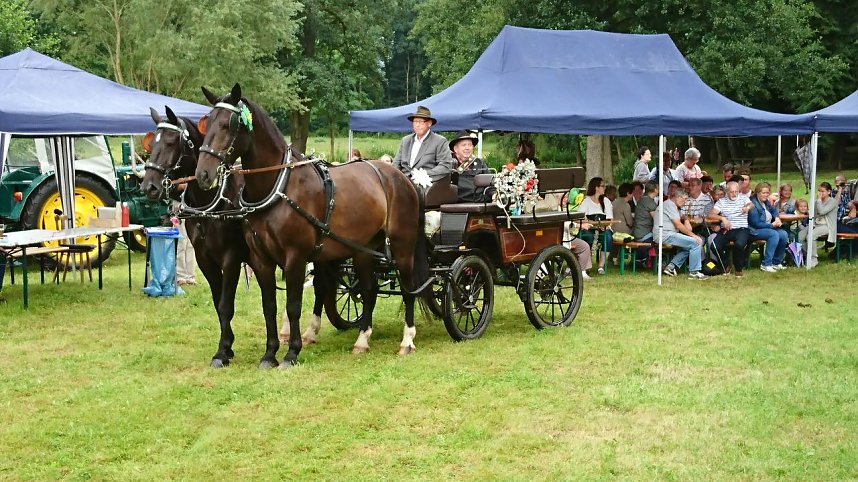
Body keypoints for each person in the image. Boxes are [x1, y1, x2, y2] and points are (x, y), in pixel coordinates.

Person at [392, 105, 454, 182]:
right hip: (403, 181)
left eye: (421, 122)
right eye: (415, 122)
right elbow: (396, 164)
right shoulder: (405, 141)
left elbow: (445, 166)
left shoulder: (439, 141)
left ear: (429, 123)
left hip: (425, 182)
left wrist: (424, 175)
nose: (417, 125)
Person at [656, 188, 708, 279]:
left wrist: (687, 219)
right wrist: (694, 236)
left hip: (666, 234)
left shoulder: (672, 205)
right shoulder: (670, 205)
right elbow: (678, 225)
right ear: (678, 197)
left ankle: (671, 267)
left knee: (689, 246)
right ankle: (694, 272)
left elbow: (682, 216)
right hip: (665, 235)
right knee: (696, 243)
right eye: (685, 199)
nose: (685, 202)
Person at [708, 181, 752, 277]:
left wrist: (747, 208)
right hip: (727, 229)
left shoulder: (743, 198)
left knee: (739, 245)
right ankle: (726, 263)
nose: (734, 194)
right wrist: (722, 218)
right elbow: (711, 214)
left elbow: (752, 205)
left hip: (741, 228)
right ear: (727, 191)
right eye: (732, 192)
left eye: (736, 191)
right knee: (714, 246)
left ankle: (738, 268)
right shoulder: (722, 201)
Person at [576, 177, 614, 275]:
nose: (604, 188)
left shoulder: (606, 201)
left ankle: (601, 266)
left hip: (603, 227)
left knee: (608, 237)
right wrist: (591, 222)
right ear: (596, 187)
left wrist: (604, 225)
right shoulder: (586, 201)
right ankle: (586, 264)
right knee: (587, 237)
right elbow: (579, 217)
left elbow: (609, 219)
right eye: (602, 186)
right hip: (589, 227)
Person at [748, 182, 788, 272]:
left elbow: (773, 210)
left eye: (767, 193)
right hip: (754, 230)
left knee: (783, 234)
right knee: (773, 234)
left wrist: (777, 218)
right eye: (763, 193)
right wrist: (771, 225)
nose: (766, 195)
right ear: (758, 193)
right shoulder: (753, 204)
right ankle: (766, 264)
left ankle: (776, 262)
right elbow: (755, 223)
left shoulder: (765, 202)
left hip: (767, 227)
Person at [799, 181, 838, 268]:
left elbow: (822, 211)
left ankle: (813, 259)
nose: (820, 193)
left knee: (811, 236)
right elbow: (813, 213)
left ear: (829, 192)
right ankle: (806, 256)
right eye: (819, 191)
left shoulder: (833, 202)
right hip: (816, 224)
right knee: (800, 236)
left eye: (823, 191)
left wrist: (819, 201)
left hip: (827, 226)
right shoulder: (817, 201)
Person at [449, 130, 491, 202]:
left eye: (470, 145)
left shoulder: (479, 163)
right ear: (455, 149)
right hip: (459, 204)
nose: (467, 148)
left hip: (482, 202)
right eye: (464, 145)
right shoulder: (449, 164)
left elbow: (490, 182)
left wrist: (494, 195)